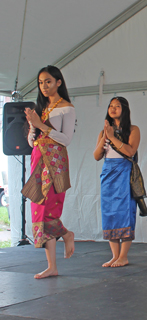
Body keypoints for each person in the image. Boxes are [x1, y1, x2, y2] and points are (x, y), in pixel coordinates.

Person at [23, 65, 76, 279]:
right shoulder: (42, 108)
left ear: (58, 82)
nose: (44, 86)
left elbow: (66, 140)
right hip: (38, 162)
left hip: (55, 164)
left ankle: (65, 234)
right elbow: (32, 142)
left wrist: (41, 125)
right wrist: (32, 127)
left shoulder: (67, 108)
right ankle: (52, 265)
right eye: (41, 82)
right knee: (38, 211)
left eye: (48, 81)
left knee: (49, 211)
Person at [93, 97, 140, 267]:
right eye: (110, 106)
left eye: (117, 106)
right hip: (108, 173)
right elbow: (97, 156)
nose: (113, 109)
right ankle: (114, 255)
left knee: (125, 212)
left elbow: (130, 151)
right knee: (109, 213)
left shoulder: (133, 129)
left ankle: (123, 256)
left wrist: (112, 138)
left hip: (124, 172)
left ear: (124, 109)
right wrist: (105, 137)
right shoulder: (104, 131)